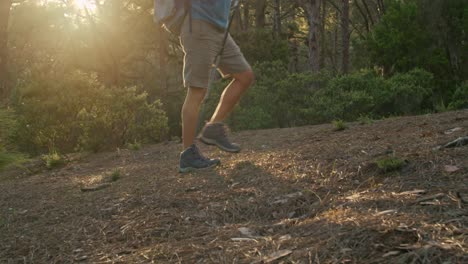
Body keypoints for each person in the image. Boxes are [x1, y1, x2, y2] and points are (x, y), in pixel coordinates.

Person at [178, 0, 254, 173]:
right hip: (199, 26)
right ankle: (187, 155)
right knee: (197, 91)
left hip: (220, 29)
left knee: (245, 76)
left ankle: (213, 127)